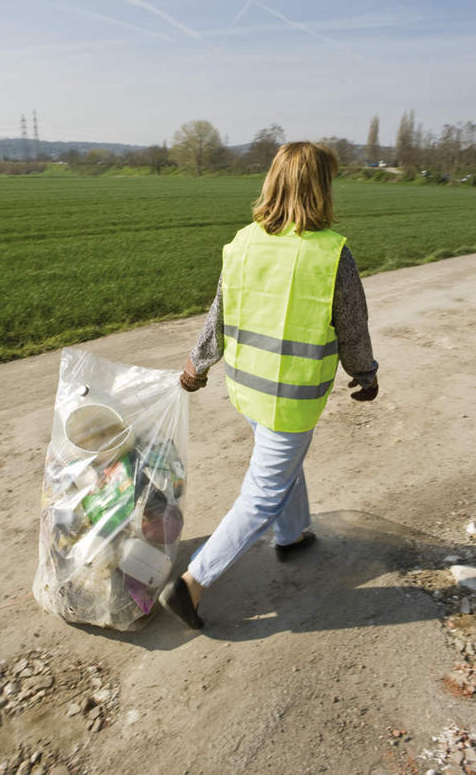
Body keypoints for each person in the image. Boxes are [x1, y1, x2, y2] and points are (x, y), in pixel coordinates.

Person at [159, 141, 378, 630]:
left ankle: (293, 534)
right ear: (321, 189)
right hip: (292, 399)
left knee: (281, 464)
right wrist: (365, 373)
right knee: (262, 491)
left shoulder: (242, 242)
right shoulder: (332, 254)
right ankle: (192, 585)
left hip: (248, 390)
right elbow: (353, 328)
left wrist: (198, 365)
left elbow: (218, 315)